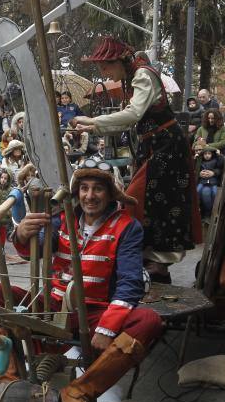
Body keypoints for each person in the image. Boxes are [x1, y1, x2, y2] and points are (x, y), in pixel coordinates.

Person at [0, 165, 162, 402]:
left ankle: (78, 392)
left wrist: (106, 328)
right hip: (51, 304)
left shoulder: (127, 227)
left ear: (111, 194)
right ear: (76, 192)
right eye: (84, 188)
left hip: (94, 310)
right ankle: (10, 383)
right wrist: (22, 233)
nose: (90, 195)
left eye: (98, 189)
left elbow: (130, 284)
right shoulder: (63, 219)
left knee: (149, 320)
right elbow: (34, 251)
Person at [71, 37, 200, 283]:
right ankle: (148, 258)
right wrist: (92, 128)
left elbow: (133, 115)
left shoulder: (142, 75)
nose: (103, 72)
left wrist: (93, 122)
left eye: (105, 66)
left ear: (119, 61)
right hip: (153, 145)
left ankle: (158, 262)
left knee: (141, 200)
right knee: (147, 202)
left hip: (166, 146)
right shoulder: (132, 77)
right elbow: (130, 121)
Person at [195, 147, 223, 219]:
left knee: (214, 192)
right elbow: (196, 168)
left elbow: (220, 167)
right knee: (198, 190)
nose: (207, 155)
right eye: (205, 154)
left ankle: (213, 209)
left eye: (209, 154)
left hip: (212, 181)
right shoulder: (201, 162)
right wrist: (196, 159)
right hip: (203, 181)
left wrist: (219, 155)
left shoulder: (215, 160)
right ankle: (199, 208)